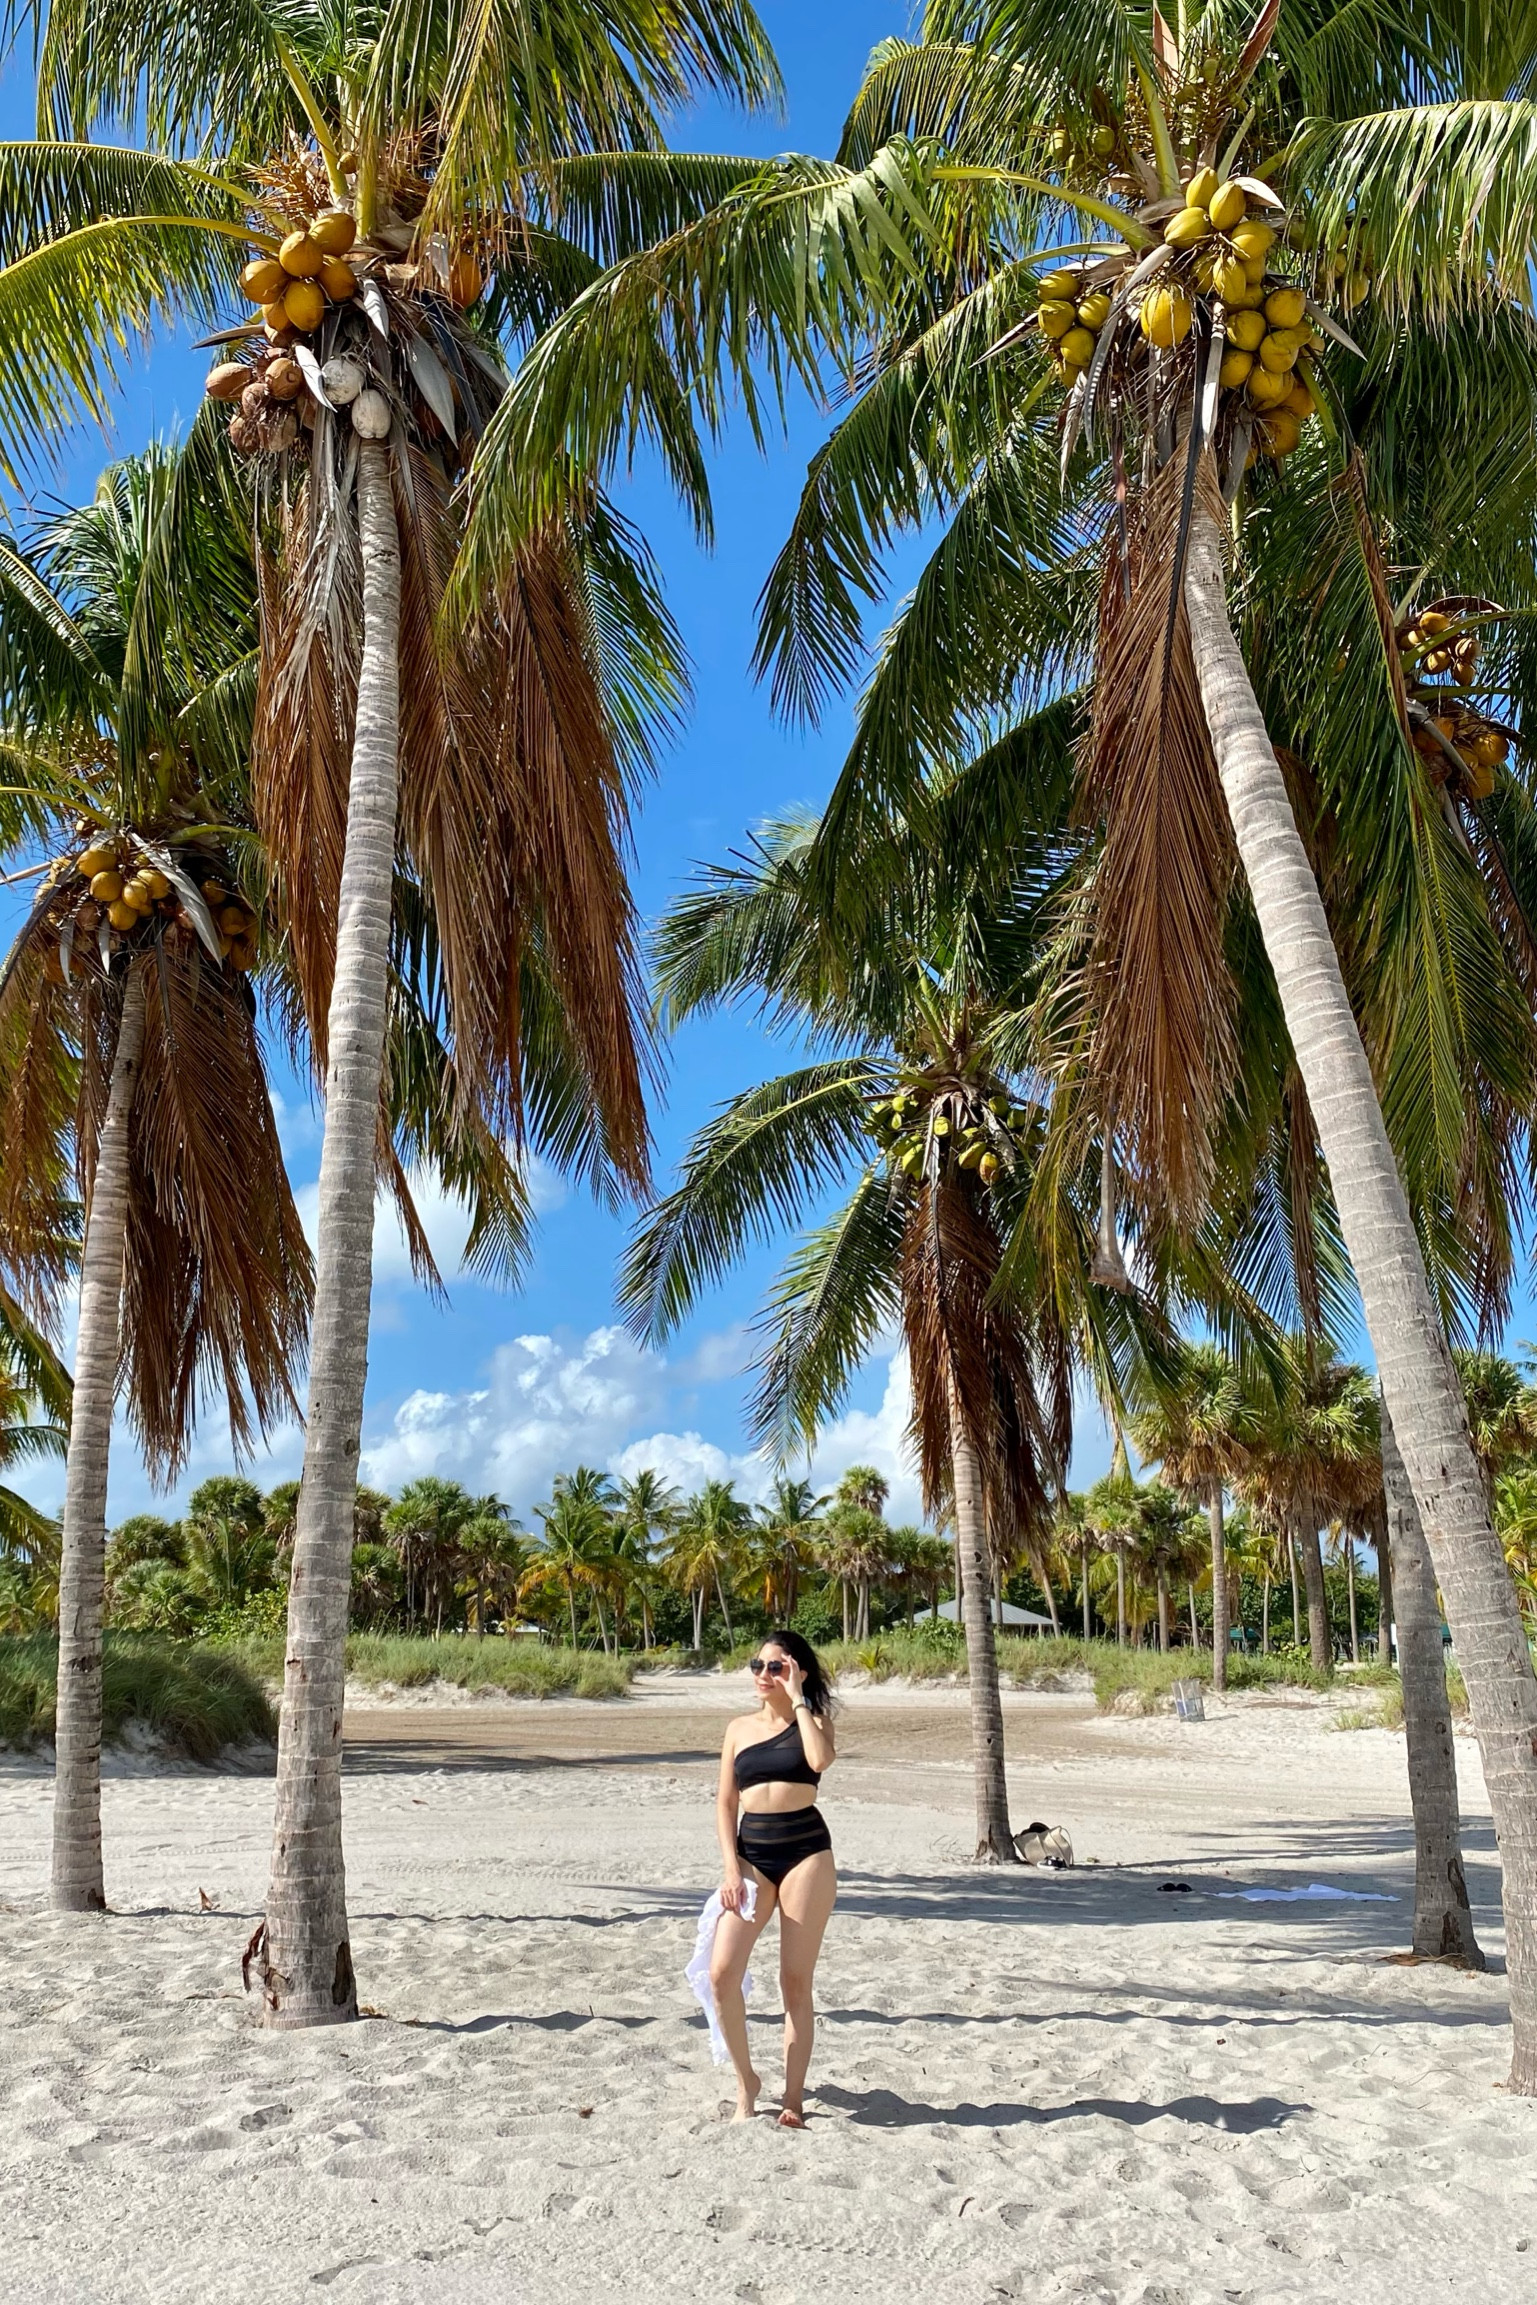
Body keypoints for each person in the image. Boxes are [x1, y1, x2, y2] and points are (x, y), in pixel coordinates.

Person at [709, 1630, 837, 2127]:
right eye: (757, 1665)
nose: (763, 1675)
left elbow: (819, 1760)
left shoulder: (815, 1722)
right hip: (751, 1858)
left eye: (775, 1667)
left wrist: (799, 1700)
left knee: (795, 1981)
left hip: (806, 1853)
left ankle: (793, 2099)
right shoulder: (738, 1729)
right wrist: (730, 1868)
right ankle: (747, 2083)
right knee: (722, 1974)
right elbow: (725, 1803)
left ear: (797, 1671)